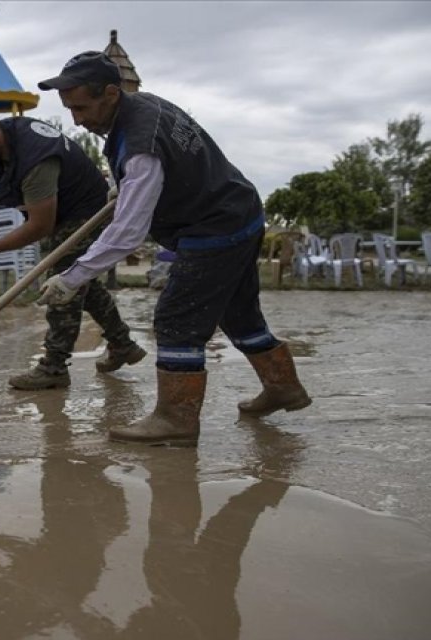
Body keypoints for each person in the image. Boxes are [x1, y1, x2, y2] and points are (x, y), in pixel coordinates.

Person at [35, 51, 310, 445]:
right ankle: (284, 387)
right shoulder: (143, 106)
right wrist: (125, 185)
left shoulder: (141, 144)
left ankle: (175, 419)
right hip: (239, 213)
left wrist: (73, 277)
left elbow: (128, 233)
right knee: (238, 314)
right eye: (69, 109)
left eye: (81, 107)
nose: (77, 119)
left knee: (176, 318)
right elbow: (158, 173)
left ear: (112, 93)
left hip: (215, 226)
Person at [0, 110, 145, 390]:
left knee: (63, 284)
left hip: (87, 213)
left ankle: (54, 368)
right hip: (68, 207)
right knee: (80, 281)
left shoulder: (35, 163)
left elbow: (40, 226)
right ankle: (123, 344)